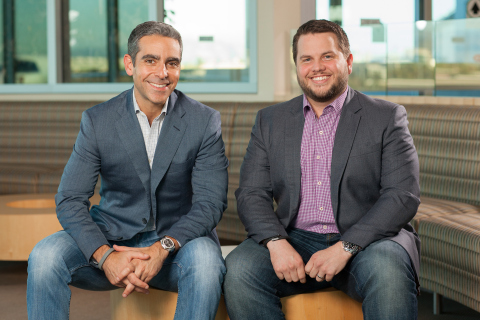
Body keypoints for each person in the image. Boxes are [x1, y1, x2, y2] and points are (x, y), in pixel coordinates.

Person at [27, 21, 228, 320]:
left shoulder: (204, 121)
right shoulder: (97, 121)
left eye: (171, 63)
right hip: (111, 242)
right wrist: (105, 256)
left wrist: (162, 248)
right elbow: (70, 199)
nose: (162, 72)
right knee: (44, 257)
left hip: (177, 247)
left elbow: (210, 203)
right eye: (151, 60)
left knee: (208, 264)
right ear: (129, 64)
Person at [224, 19, 420, 320]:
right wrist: (276, 243)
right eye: (307, 59)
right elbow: (251, 192)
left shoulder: (385, 117)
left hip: (369, 241)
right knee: (240, 270)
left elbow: (402, 195)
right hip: (294, 238)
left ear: (348, 61)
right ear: (297, 66)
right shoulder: (271, 120)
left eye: (327, 56)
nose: (317, 67)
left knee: (387, 271)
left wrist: (346, 246)